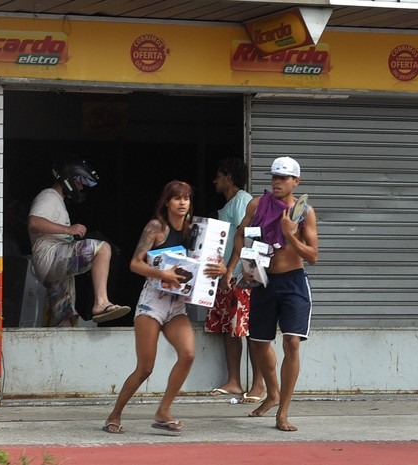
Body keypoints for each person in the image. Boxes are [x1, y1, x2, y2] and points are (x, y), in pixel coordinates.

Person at [224, 156, 319, 432]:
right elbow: (240, 235)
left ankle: (283, 412)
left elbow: (313, 255)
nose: (277, 182)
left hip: (293, 282)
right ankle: (273, 393)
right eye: (274, 177)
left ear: (295, 182)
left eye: (284, 178)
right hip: (263, 280)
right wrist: (240, 264)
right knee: (258, 342)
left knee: (292, 342)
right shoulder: (257, 204)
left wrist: (290, 235)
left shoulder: (304, 212)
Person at [103, 180, 196, 434]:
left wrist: (219, 268)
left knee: (188, 354)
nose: (182, 203)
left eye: (186, 198)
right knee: (145, 367)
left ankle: (163, 410)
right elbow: (135, 264)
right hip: (152, 302)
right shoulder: (157, 227)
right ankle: (115, 414)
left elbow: (206, 260)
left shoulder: (193, 229)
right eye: (177, 198)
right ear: (167, 202)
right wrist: (161, 273)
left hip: (177, 303)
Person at [27, 159, 131, 327]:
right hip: (51, 256)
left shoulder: (58, 201)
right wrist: (69, 230)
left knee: (65, 317)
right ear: (68, 179)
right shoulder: (49, 196)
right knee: (103, 249)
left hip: (50, 266)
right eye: (79, 182)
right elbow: (34, 222)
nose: (81, 187)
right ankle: (101, 302)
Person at [203, 158, 268, 403]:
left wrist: (237, 272)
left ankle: (259, 385)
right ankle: (234, 382)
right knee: (231, 330)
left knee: (250, 330)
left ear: (229, 176)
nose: (214, 181)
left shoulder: (242, 201)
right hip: (227, 275)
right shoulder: (231, 203)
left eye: (218, 176)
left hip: (241, 276)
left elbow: (246, 238)